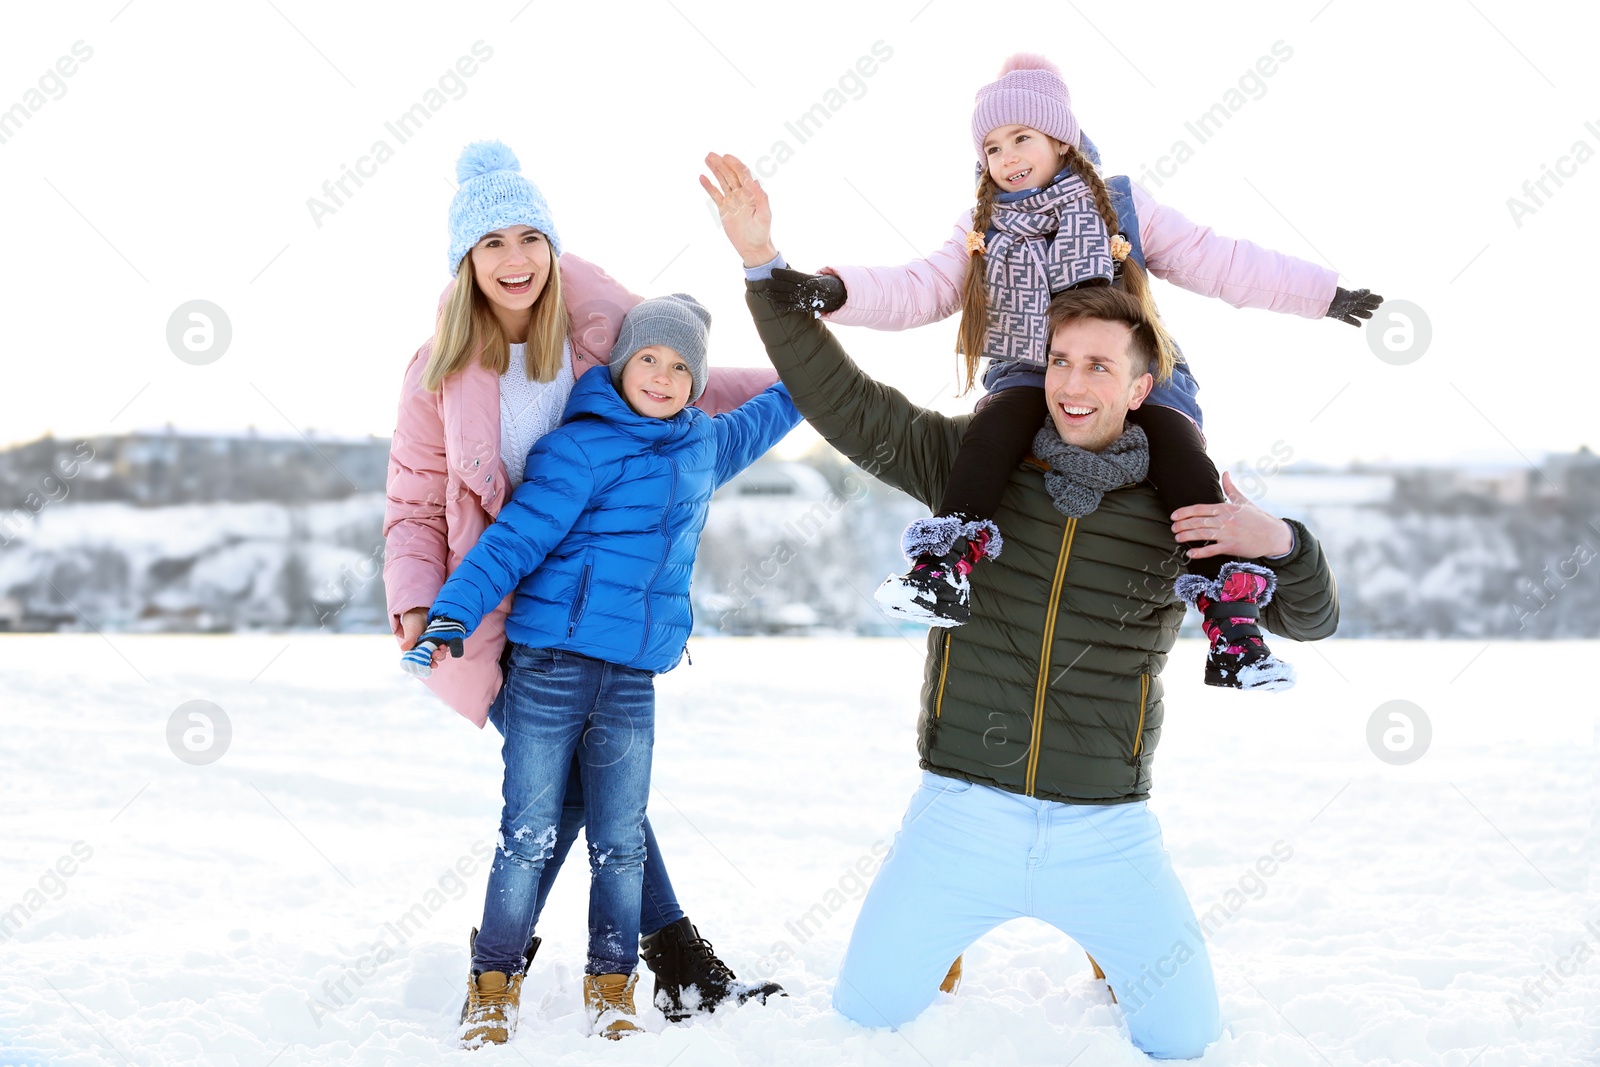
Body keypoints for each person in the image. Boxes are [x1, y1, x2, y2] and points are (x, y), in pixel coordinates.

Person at [707, 160, 1339, 1053]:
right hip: (963, 812)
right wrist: (765, 267)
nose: (1072, 384)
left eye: (1098, 366)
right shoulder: (976, 465)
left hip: (1106, 828)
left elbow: (1312, 620)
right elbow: (847, 405)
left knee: (1184, 1037)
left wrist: (1279, 540)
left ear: (1140, 384)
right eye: (1058, 360)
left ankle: (1110, 956)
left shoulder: (1187, 509)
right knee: (866, 1018)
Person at [701, 52, 1374, 692]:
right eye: (991, 148)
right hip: (1028, 367)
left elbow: (1220, 260)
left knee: (1185, 462)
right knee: (992, 433)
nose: (1005, 159)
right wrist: (832, 291)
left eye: (1020, 138)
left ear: (1060, 139)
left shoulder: (1120, 206)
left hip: (1141, 368)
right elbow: (920, 288)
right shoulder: (983, 226)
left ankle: (1233, 628)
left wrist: (1325, 295)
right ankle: (945, 567)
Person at [383, 141, 783, 1033]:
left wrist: (816, 382)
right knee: (573, 798)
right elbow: (412, 503)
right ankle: (643, 959)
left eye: (531, 237)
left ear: (553, 247)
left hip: (606, 621)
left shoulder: (600, 327)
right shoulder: (438, 372)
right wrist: (422, 605)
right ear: (467, 259)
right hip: (499, 609)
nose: (516, 259)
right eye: (493, 243)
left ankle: (562, 961)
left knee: (587, 797)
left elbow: (685, 379)